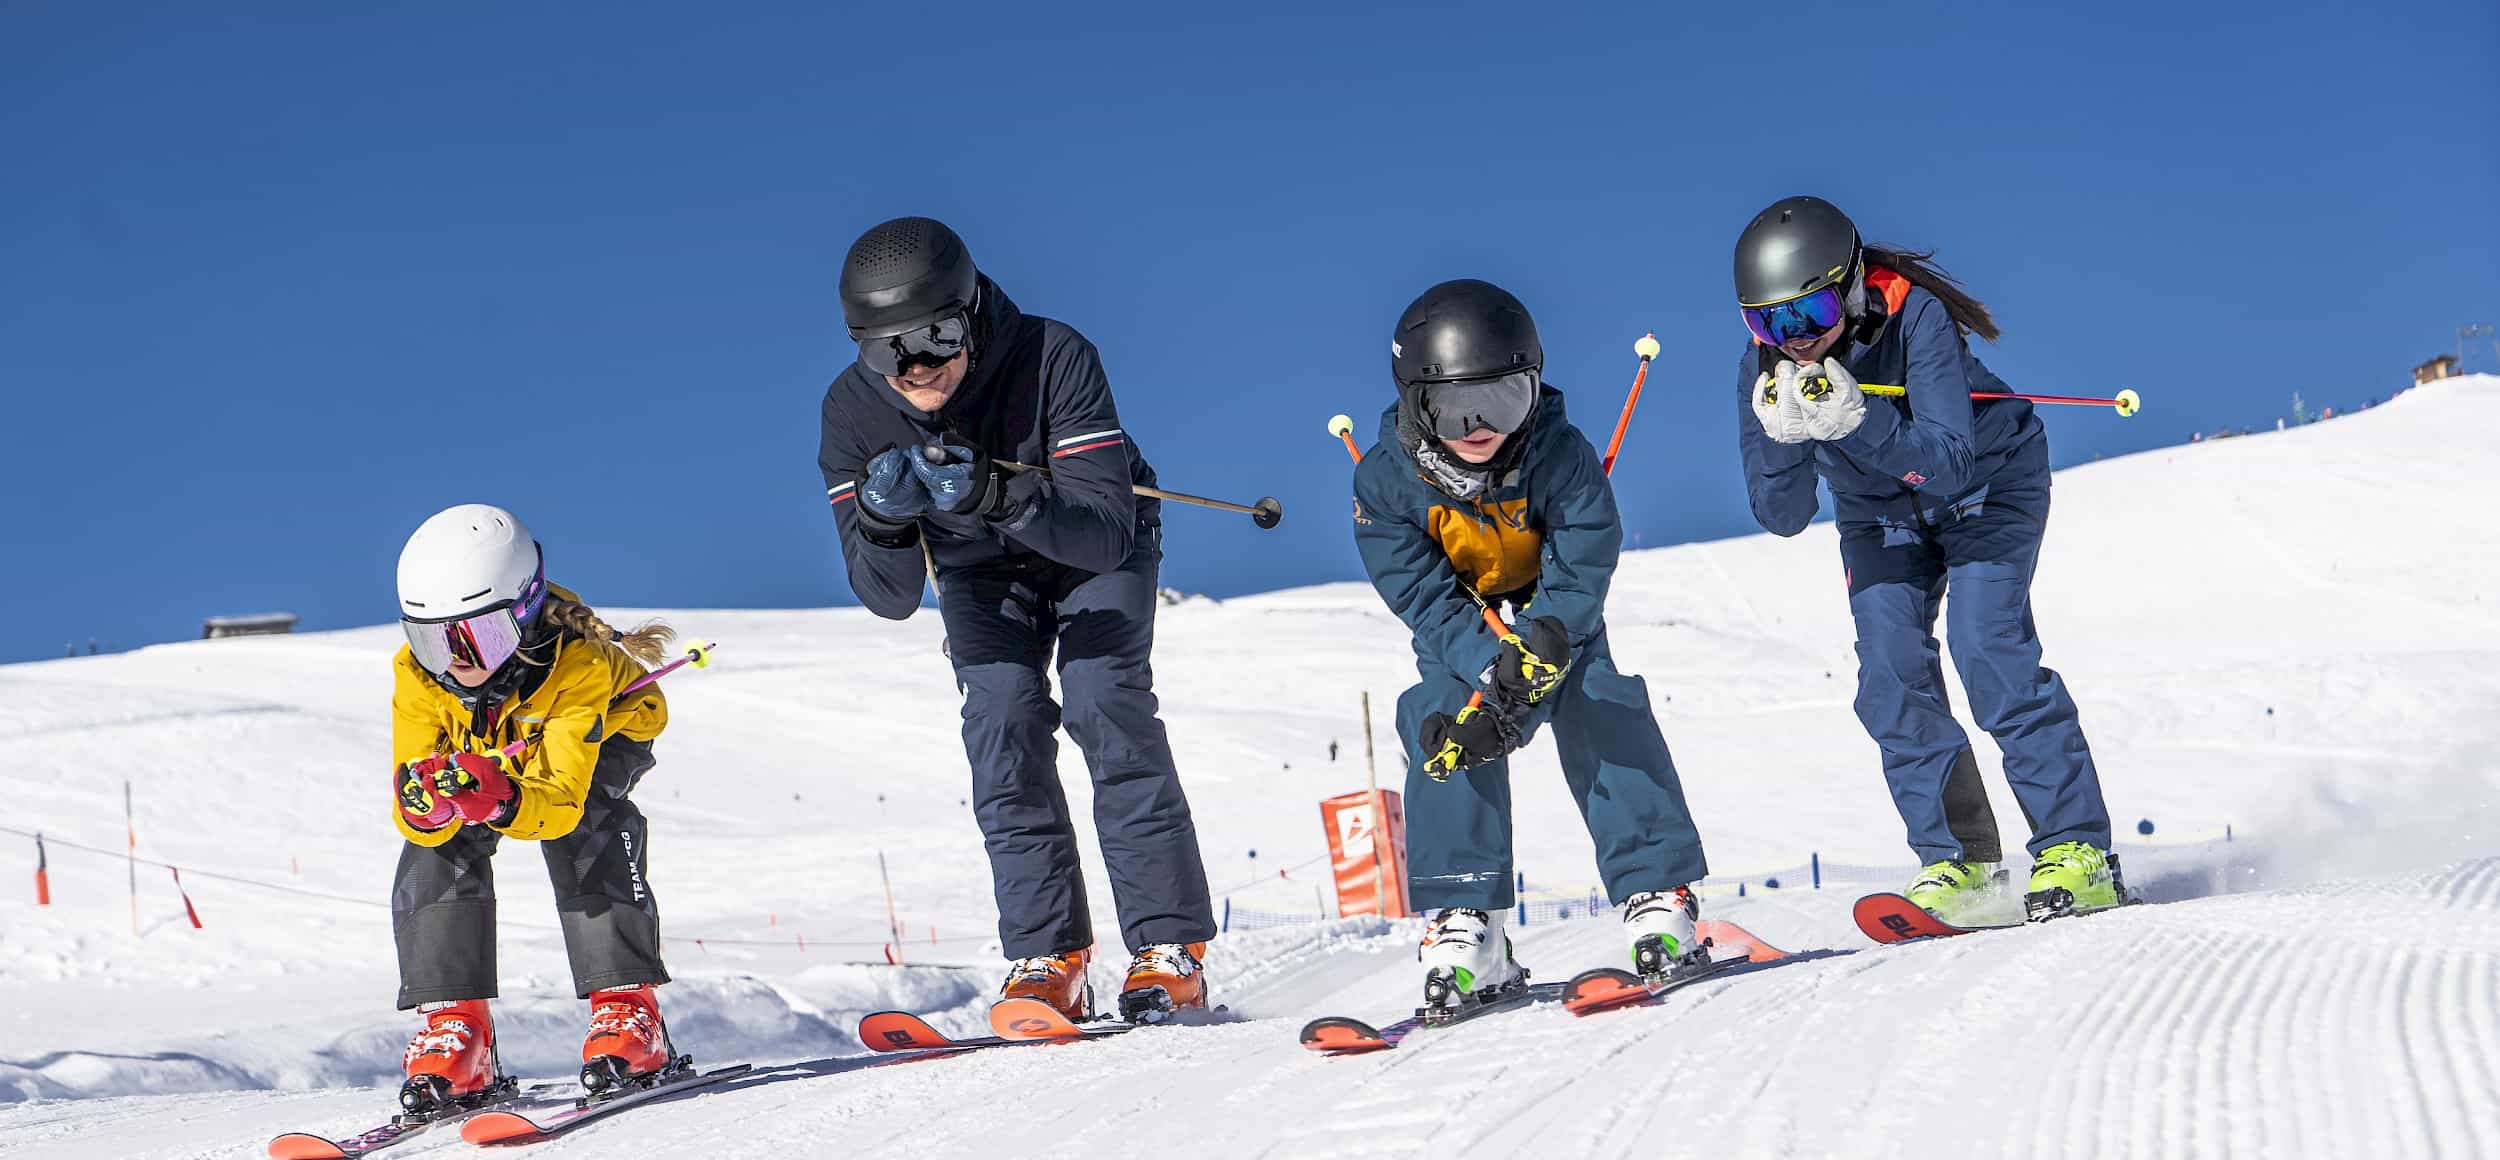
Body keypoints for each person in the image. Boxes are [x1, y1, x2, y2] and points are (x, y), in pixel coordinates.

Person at [818, 216, 1216, 1023]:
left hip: (1089, 547)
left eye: (935, 336)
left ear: (970, 313)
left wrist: (998, 495)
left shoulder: (1052, 355)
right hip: (978, 569)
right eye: (888, 350)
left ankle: (1168, 950)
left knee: (1104, 698)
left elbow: (1106, 530)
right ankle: (1049, 956)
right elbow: (887, 595)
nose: (917, 365)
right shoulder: (852, 413)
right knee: (1002, 721)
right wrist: (887, 523)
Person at [1730, 195, 2122, 922]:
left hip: (1986, 486)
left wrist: (1861, 420)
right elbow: (1781, 518)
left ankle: (2079, 850)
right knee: (1889, 675)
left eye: (1807, 316)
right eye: (1767, 322)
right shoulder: (1766, 370)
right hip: (1880, 516)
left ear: (1848, 287)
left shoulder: (1915, 318)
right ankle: (1963, 861)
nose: (1793, 340)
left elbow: (1946, 461)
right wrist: (1784, 441)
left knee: (1987, 647)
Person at [1351, 278, 1712, 1011]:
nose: (1480, 425)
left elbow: (1584, 564)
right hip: (1467, 622)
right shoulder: (1384, 483)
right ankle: (1467, 920)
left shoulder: (1562, 455)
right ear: (1420, 405)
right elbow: (1420, 593)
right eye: (1455, 407)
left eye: (1504, 399)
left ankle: (1656, 886)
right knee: (1444, 718)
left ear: (1533, 389)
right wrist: (1491, 670)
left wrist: (1540, 651)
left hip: (1553, 611)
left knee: (1597, 697)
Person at [389, 503, 681, 1111]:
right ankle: (458, 1028)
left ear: (522, 613)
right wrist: (426, 805)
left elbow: (561, 802)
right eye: (433, 641)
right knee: (437, 841)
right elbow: (409, 780)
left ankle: (628, 1009)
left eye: (478, 636)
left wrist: (500, 800)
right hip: (492, 745)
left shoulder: (580, 663)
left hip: (600, 738)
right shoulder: (420, 675)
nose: (457, 661)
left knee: (591, 829)